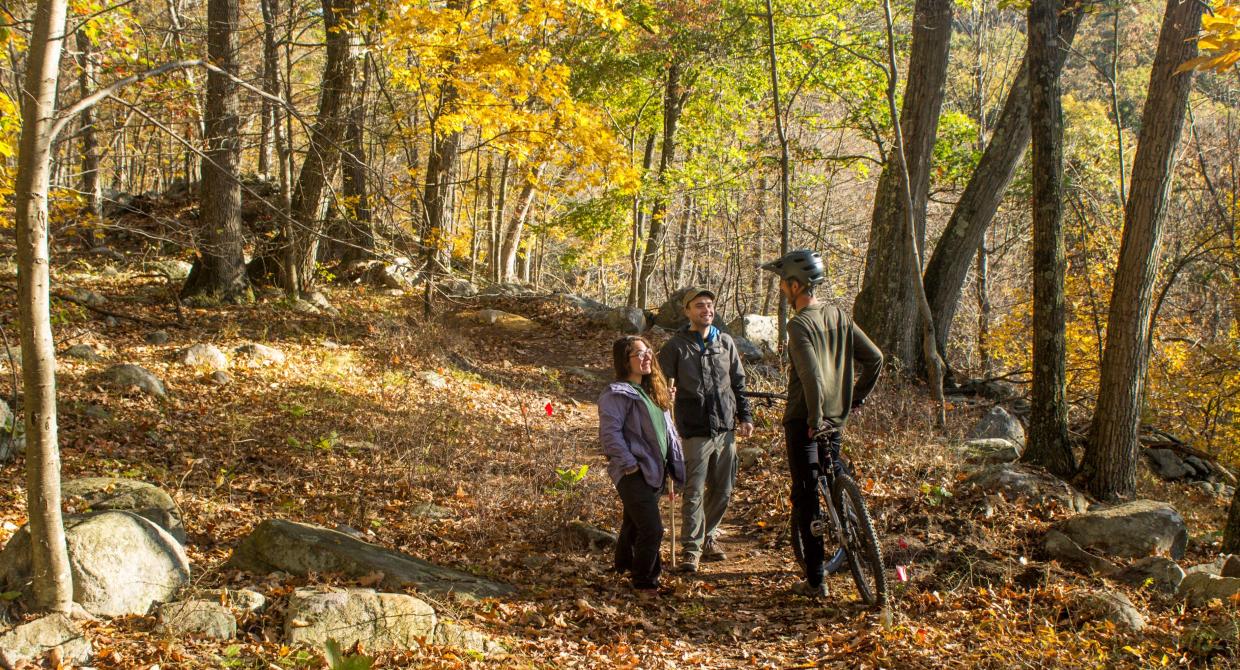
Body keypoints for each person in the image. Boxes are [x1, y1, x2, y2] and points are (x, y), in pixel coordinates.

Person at [759, 250, 883, 598]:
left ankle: (816, 580)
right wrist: (854, 398)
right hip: (837, 417)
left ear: (797, 285)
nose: (782, 289)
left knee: (806, 494)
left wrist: (814, 419)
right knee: (833, 472)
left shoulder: (799, 324)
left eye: (784, 283)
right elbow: (875, 359)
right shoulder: (839, 315)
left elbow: (811, 377)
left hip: (805, 420)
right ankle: (851, 525)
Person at [657, 287, 753, 573]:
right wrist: (666, 397)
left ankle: (708, 535)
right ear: (687, 311)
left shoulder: (725, 342)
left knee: (723, 490)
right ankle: (691, 549)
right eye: (699, 305)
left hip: (725, 428)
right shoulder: (676, 346)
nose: (706, 310)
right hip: (694, 429)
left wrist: (745, 416)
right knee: (695, 491)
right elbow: (659, 385)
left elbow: (738, 382)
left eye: (709, 305)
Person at [598, 336, 686, 594]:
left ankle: (623, 566)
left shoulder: (652, 392)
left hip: (654, 472)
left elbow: (666, 433)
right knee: (652, 528)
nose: (647, 357)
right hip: (633, 472)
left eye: (648, 352)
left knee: (634, 523)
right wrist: (629, 464)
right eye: (639, 354)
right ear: (625, 361)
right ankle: (644, 581)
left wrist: (673, 466)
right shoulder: (617, 393)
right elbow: (610, 434)